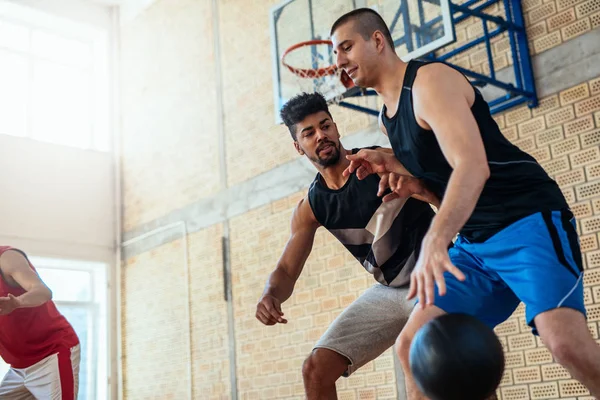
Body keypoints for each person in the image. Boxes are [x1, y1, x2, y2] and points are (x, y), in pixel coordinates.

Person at [330, 7, 600, 399]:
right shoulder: (388, 116)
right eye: (334, 53)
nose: (338, 61)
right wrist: (402, 172)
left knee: (566, 346)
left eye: (346, 47)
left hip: (525, 222)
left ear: (377, 41)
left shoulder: (429, 83)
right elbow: (442, 176)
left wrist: (436, 240)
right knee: (415, 347)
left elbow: (472, 167)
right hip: (475, 246)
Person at [255, 92, 440, 399]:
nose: (321, 135)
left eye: (325, 125)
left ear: (336, 128)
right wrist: (270, 294)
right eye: (309, 133)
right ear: (298, 147)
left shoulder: (379, 161)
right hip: (390, 290)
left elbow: (443, 191)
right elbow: (287, 270)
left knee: (441, 361)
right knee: (315, 369)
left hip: (433, 276)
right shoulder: (312, 206)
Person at [0, 246, 80, 399]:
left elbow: (43, 291)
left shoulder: (7, 258)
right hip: (18, 367)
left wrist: (17, 302)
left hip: (51, 354)